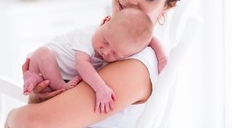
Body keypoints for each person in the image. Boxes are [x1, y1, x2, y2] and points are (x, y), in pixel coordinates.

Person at [3, 0, 191, 128]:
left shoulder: (136, 67)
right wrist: (39, 96)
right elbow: (44, 116)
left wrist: (9, 118)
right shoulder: (108, 36)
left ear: (167, 6)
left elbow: (36, 124)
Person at [23, 8, 156, 113]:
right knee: (44, 53)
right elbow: (82, 65)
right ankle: (57, 85)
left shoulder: (129, 54)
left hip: (50, 77)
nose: (105, 51)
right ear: (104, 21)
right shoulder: (86, 35)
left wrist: (162, 58)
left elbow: (150, 40)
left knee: (41, 85)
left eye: (115, 53)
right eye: (105, 40)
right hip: (40, 61)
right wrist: (101, 88)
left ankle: (34, 78)